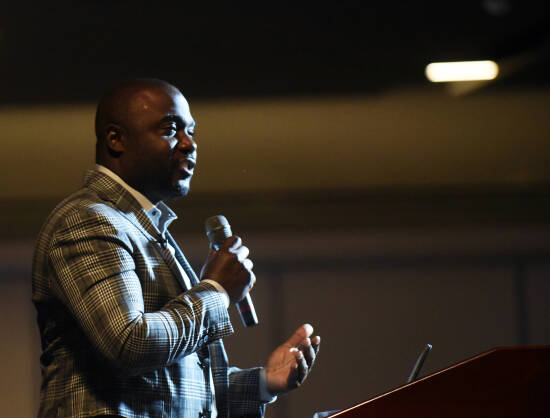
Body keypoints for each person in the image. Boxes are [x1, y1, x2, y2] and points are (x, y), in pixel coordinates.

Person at [31, 78, 320, 418]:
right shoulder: (87, 220)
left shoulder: (145, 229)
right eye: (170, 130)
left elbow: (169, 390)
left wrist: (263, 383)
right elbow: (130, 343)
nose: (188, 144)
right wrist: (215, 292)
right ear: (116, 139)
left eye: (191, 131)